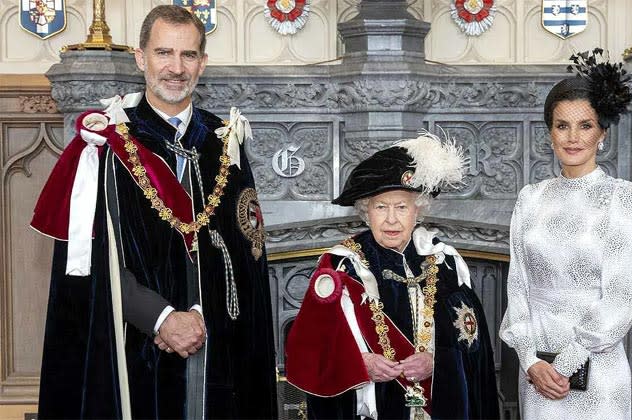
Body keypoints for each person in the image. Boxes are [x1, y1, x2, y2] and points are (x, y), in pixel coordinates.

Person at [32, 5, 277, 419]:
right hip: (132, 352)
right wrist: (161, 318)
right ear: (141, 57)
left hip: (215, 349)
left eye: (188, 55)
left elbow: (247, 256)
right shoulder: (104, 145)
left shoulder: (225, 142)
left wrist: (201, 314)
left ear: (202, 63)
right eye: (164, 53)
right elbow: (86, 264)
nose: (176, 68)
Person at [285, 133, 500, 419]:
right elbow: (309, 351)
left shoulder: (446, 263)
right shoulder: (340, 266)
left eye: (401, 207)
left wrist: (436, 363)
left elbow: (474, 346)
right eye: (380, 207)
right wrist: (359, 365)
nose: (391, 219)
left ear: (418, 211)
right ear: (366, 211)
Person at [499, 48, 632, 419]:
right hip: (537, 370)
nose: (573, 137)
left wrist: (564, 364)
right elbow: (518, 286)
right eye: (562, 125)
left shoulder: (622, 198)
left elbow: (620, 297)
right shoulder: (530, 198)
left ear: (602, 133)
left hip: (597, 368)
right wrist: (530, 360)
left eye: (585, 125)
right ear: (549, 132)